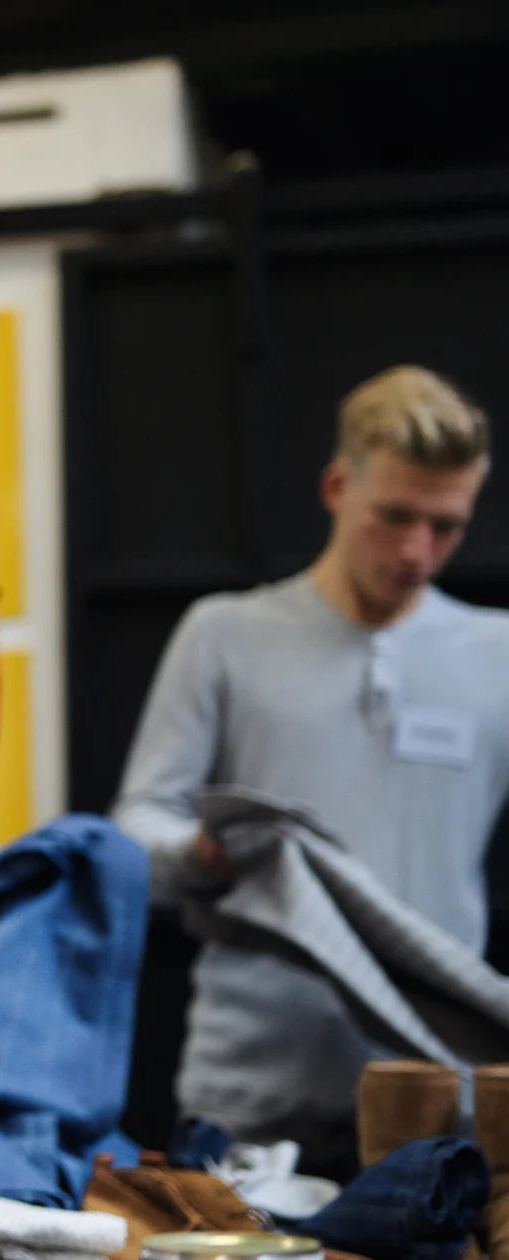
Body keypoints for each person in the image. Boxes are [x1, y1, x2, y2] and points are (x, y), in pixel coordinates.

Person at [115, 365, 509, 1173]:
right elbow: (134, 833)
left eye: (445, 526)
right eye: (394, 517)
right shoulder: (224, 634)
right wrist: (202, 854)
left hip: (436, 1100)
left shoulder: (498, 654)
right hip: (251, 1098)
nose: (415, 551)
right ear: (336, 487)